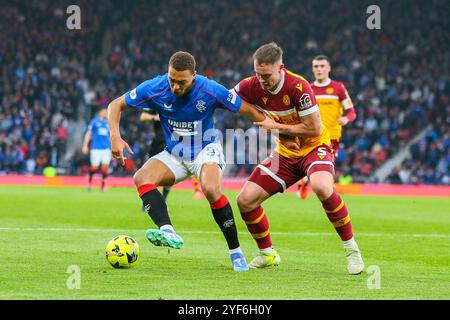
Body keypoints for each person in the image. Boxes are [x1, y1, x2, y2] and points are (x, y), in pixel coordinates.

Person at [107, 51, 268, 271]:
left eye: (181, 82)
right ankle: (167, 230)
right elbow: (115, 105)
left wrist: (282, 132)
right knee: (141, 177)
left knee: (211, 189)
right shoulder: (156, 87)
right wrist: (115, 137)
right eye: (172, 80)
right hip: (175, 153)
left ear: (194, 75)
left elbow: (248, 110)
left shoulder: (210, 90)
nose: (175, 87)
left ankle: (236, 252)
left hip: (205, 150)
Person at [234, 42, 364, 275]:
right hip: (285, 154)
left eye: (266, 75)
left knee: (322, 187)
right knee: (245, 200)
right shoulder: (251, 85)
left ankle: (352, 250)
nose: (262, 80)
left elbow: (314, 129)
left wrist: (276, 127)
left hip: (315, 147)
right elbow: (229, 99)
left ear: (280, 68)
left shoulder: (299, 86)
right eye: (257, 74)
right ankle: (267, 253)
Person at [297, 55, 357, 199]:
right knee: (322, 168)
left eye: (322, 66)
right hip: (312, 136)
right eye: (316, 66)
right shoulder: (308, 89)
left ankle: (305, 182)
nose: (319, 69)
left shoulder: (338, 88)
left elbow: (352, 112)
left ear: (329, 68)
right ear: (312, 69)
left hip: (332, 137)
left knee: (324, 168)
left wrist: (346, 119)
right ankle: (330, 195)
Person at [141, 109, 204, 201]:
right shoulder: (158, 103)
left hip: (172, 143)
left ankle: (163, 199)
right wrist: (155, 117)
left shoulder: (179, 106)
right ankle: (149, 199)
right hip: (156, 143)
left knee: (170, 171)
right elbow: (143, 116)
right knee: (149, 171)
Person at [82, 108, 111, 192]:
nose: (106, 113)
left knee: (105, 167)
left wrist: (113, 149)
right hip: (96, 148)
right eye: (105, 112)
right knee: (94, 167)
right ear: (101, 113)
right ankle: (89, 183)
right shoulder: (95, 122)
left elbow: (110, 137)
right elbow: (89, 133)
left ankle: (103, 186)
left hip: (106, 148)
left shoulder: (108, 124)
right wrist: (85, 145)